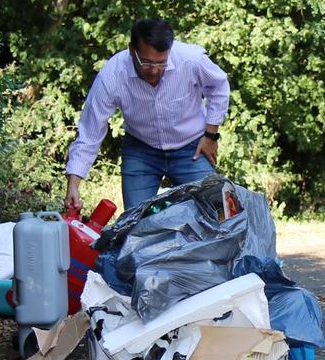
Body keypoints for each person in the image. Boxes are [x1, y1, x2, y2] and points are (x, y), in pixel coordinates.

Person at [65, 18, 231, 213]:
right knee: (136, 221)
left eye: (161, 63)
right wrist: (73, 185)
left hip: (191, 148)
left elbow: (219, 87)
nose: (154, 70)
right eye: (146, 62)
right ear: (131, 49)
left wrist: (211, 135)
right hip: (141, 150)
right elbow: (90, 132)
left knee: (220, 208)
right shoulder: (112, 74)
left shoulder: (190, 59)